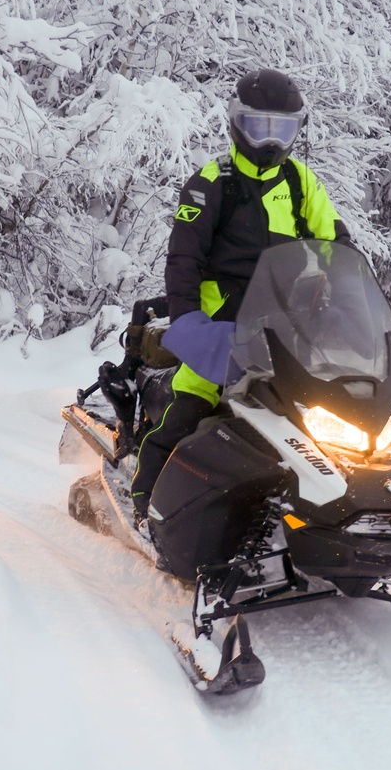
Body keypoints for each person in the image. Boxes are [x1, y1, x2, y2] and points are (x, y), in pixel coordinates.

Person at [131, 68, 348, 525]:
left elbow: (335, 244)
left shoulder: (300, 183)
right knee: (189, 413)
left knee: (315, 424)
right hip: (218, 332)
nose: (271, 142)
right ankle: (146, 500)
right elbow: (183, 258)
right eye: (259, 127)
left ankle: (317, 511)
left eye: (282, 129)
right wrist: (189, 321)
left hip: (285, 332)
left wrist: (350, 299)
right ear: (236, 123)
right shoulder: (212, 183)